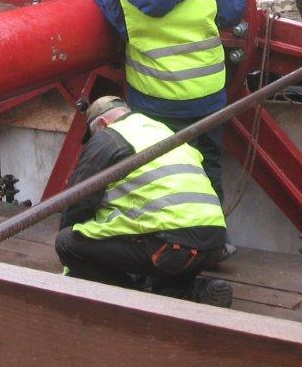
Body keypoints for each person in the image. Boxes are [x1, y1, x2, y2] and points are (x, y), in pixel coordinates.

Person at [93, 0, 247, 203]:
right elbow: (236, 10)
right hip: (208, 100)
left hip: (157, 104)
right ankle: (215, 236)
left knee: (164, 171)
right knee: (209, 164)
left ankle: (171, 236)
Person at [55, 95, 233, 307]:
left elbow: (78, 201)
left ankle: (137, 300)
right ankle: (196, 292)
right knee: (154, 265)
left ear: (102, 123)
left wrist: (70, 255)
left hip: (170, 244)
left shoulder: (109, 137)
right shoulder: (162, 131)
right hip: (212, 244)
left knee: (67, 243)